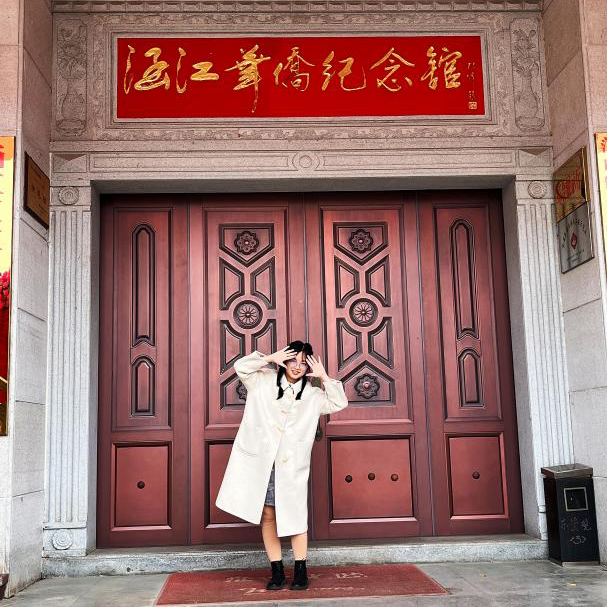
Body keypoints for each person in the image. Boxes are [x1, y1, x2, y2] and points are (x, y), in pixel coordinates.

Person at [215, 341, 349, 591]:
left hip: (291, 465)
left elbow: (339, 403)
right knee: (267, 515)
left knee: (295, 516)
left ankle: (301, 570)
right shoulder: (262, 381)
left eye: (303, 363)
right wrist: (268, 358)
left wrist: (324, 377)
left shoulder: (313, 395)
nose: (297, 367)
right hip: (262, 463)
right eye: (293, 361)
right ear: (284, 361)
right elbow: (240, 367)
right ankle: (276, 570)